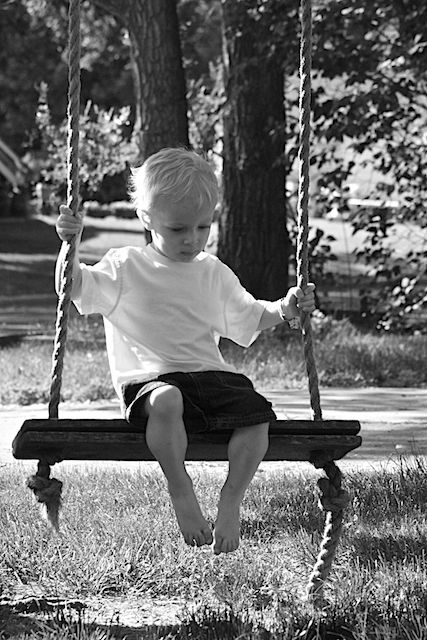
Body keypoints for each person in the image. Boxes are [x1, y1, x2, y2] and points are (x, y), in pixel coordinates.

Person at [56, 147, 315, 555]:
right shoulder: (125, 266)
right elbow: (72, 288)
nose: (192, 239)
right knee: (168, 398)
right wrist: (68, 246)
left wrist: (285, 309)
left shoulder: (212, 271)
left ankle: (232, 500)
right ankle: (180, 488)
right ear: (146, 218)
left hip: (208, 376)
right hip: (150, 381)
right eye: (178, 229)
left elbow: (249, 315)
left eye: (202, 226)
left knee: (258, 415)